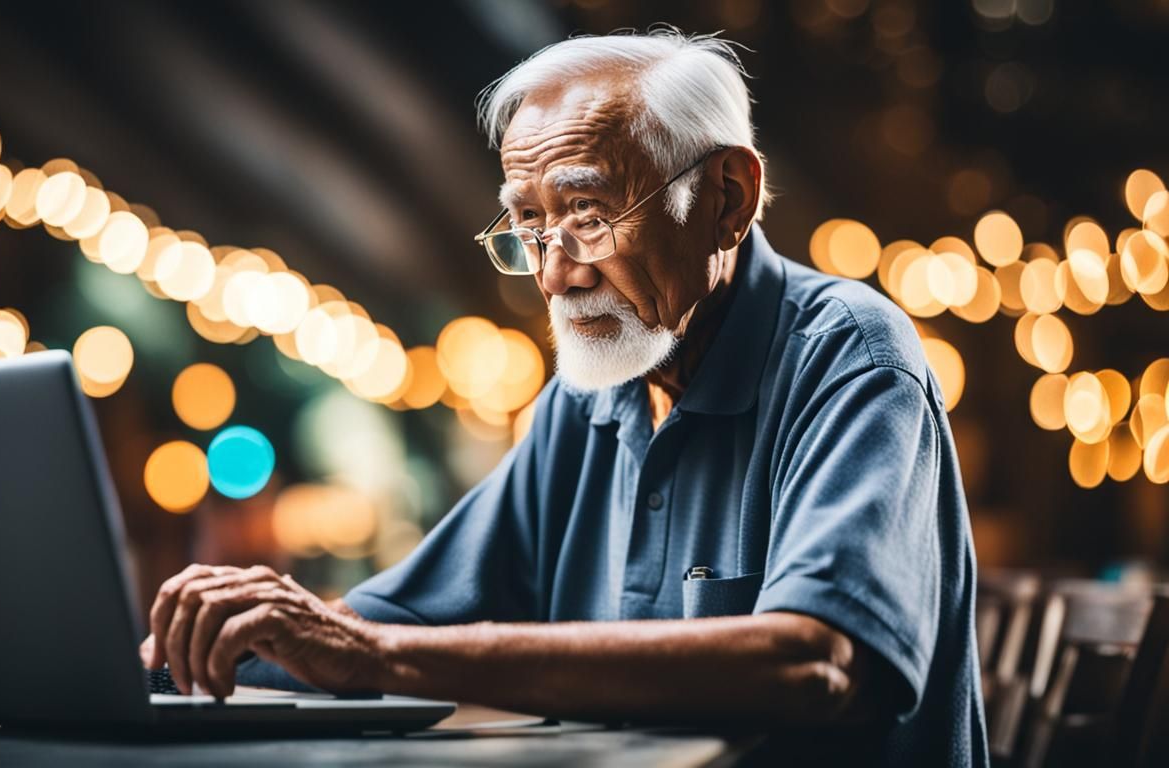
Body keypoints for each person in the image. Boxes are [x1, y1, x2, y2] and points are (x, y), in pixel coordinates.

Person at [140, 28, 987, 765]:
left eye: (588, 214)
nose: (553, 275)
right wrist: (202, 647)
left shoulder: (849, 358)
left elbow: (816, 662)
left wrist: (374, 654)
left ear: (727, 199)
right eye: (531, 227)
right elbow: (391, 622)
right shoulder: (592, 397)